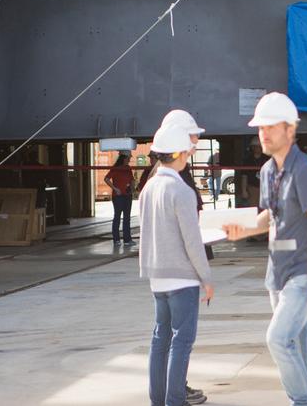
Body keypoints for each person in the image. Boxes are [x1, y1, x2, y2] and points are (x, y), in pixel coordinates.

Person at [224, 92, 307, 406]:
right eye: (261, 127)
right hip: (278, 272)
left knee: (277, 339)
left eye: (271, 127)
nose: (264, 133)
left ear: (291, 129)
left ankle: (302, 401)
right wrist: (243, 230)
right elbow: (270, 216)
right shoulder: (268, 171)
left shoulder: (306, 171)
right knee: (297, 346)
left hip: (303, 271)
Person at [139, 125, 214, 406]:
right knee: (181, 343)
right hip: (182, 278)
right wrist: (206, 278)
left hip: (157, 277)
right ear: (181, 154)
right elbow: (192, 242)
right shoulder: (181, 191)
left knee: (160, 341)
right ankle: (175, 401)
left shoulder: (149, 188)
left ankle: (159, 401)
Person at [104, 152, 135, 245]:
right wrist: (115, 188)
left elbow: (132, 180)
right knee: (117, 217)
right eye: (128, 158)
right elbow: (106, 178)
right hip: (118, 196)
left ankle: (127, 240)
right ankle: (116, 239)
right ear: (124, 158)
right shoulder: (116, 168)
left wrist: (132, 189)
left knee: (127, 218)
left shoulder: (128, 168)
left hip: (127, 195)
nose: (129, 159)